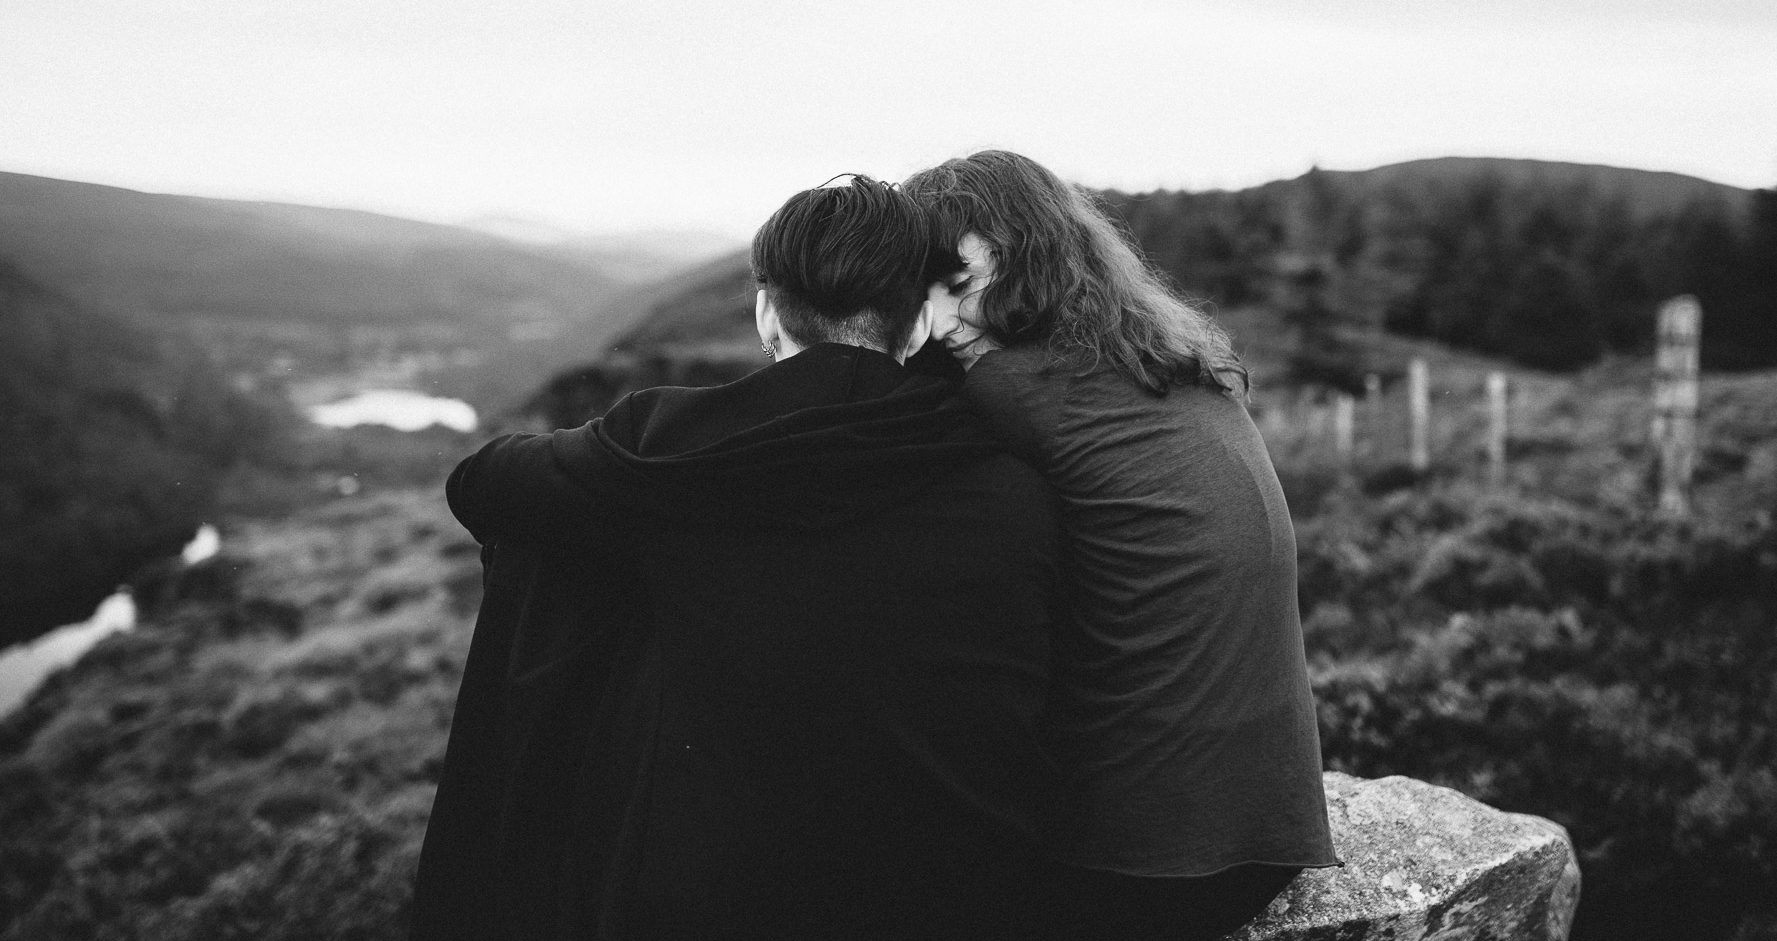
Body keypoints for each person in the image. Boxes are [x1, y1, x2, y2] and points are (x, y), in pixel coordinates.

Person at [410, 176, 1062, 941]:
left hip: (716, 898)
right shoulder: (1012, 487)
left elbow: (481, 483)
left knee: (556, 545)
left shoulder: (668, 452)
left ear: (766, 310)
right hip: (958, 896)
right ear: (918, 324)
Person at [901, 150, 1338, 941]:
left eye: (959, 284)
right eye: (918, 293)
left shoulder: (1015, 387)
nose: (940, 319)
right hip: (1266, 829)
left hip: (1144, 864)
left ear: (1025, 252)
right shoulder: (1154, 356)